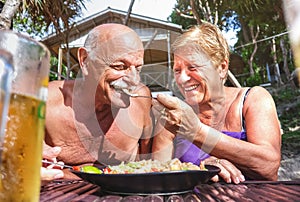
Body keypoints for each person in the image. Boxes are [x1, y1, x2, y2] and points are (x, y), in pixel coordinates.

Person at [151, 22, 281, 184]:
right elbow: (158, 176)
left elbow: (269, 167)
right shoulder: (174, 114)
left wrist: (196, 131)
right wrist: (201, 170)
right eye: (177, 70)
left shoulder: (252, 99)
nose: (182, 79)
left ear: (221, 67)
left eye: (193, 67)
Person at [43, 23, 153, 179]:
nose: (134, 80)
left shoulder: (141, 100)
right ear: (85, 60)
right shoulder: (45, 101)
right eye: (120, 66)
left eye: (138, 69)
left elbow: (152, 166)